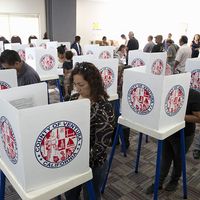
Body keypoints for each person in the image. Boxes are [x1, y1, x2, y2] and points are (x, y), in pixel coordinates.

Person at [64, 62, 115, 200]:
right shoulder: (73, 98)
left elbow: (101, 145)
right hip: (73, 159)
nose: (77, 89)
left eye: (81, 85)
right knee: (70, 195)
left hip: (93, 163)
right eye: (75, 84)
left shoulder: (104, 107)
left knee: (91, 195)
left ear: (93, 83)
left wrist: (78, 161)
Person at [146, 88, 200, 194]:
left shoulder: (194, 95)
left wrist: (177, 117)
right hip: (167, 130)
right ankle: (159, 182)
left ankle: (174, 181)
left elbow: (198, 118)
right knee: (165, 158)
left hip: (184, 134)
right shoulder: (167, 89)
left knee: (178, 159)